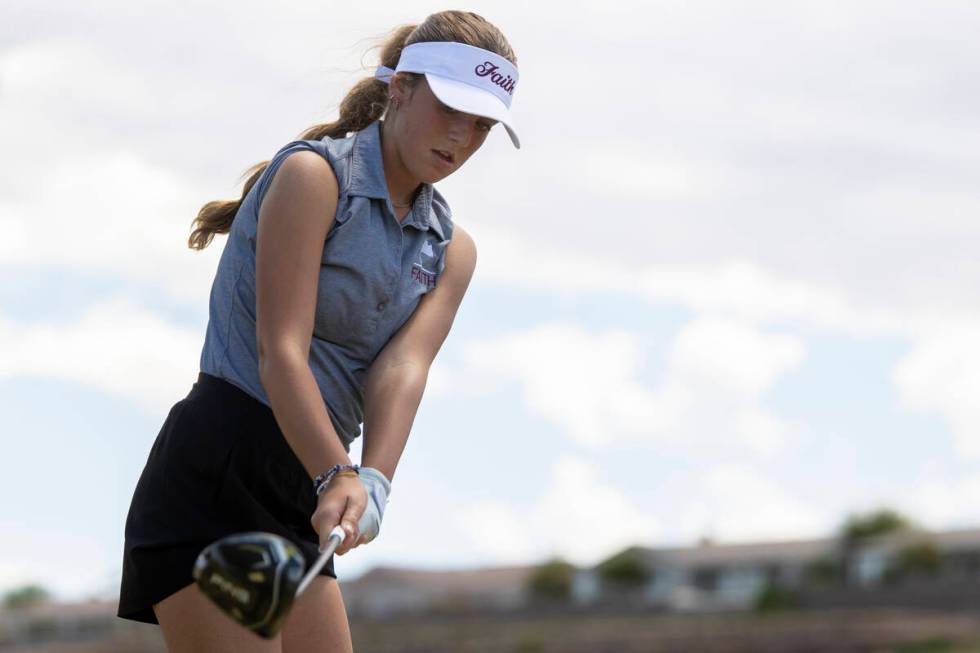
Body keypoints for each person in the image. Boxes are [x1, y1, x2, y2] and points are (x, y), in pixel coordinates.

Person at [116, 9, 520, 652]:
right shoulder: (313, 177)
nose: (461, 138)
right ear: (401, 87)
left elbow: (402, 368)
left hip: (302, 482)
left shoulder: (452, 250)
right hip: (223, 465)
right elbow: (281, 351)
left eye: (481, 126)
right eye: (450, 109)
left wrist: (376, 478)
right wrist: (337, 472)